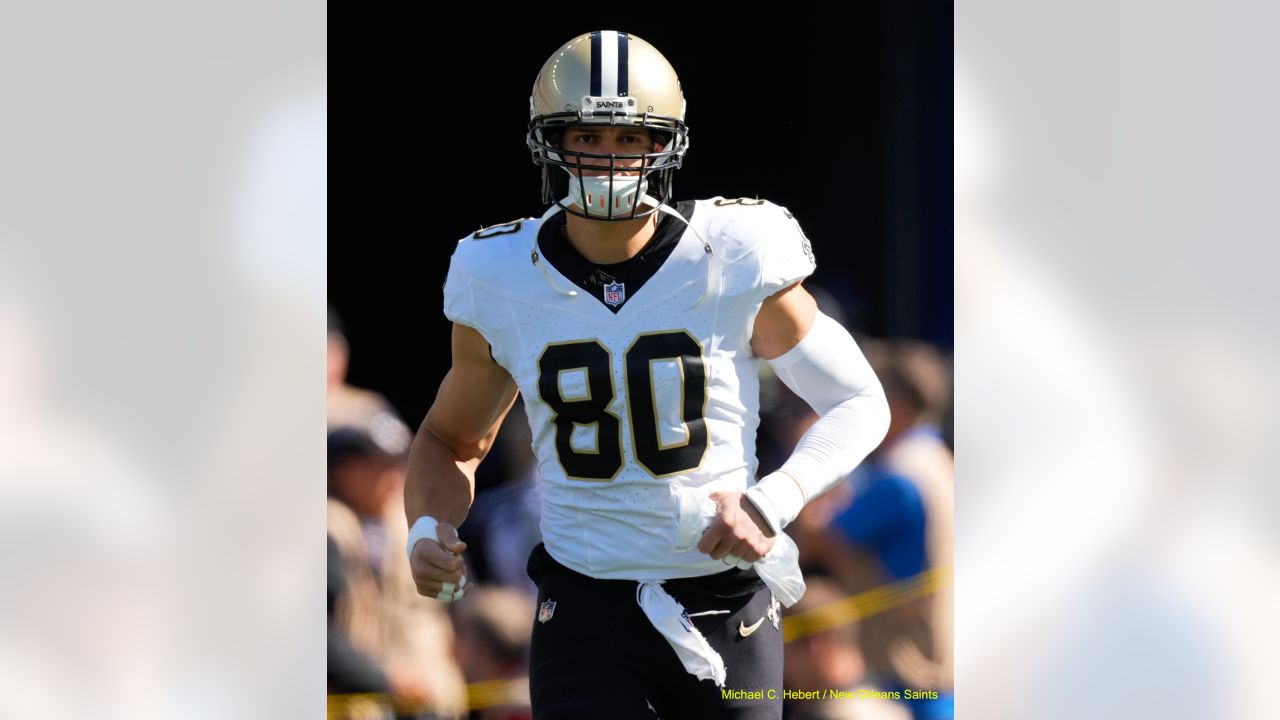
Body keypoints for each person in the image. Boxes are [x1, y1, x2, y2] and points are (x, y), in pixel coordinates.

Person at [405, 30, 890, 719]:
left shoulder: (730, 256)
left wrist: (772, 500)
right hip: (583, 611)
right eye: (588, 136)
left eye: (631, 139)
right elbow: (449, 441)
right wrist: (426, 526)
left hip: (727, 605)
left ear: (666, 145)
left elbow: (859, 400)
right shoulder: (502, 277)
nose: (610, 160)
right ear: (548, 141)